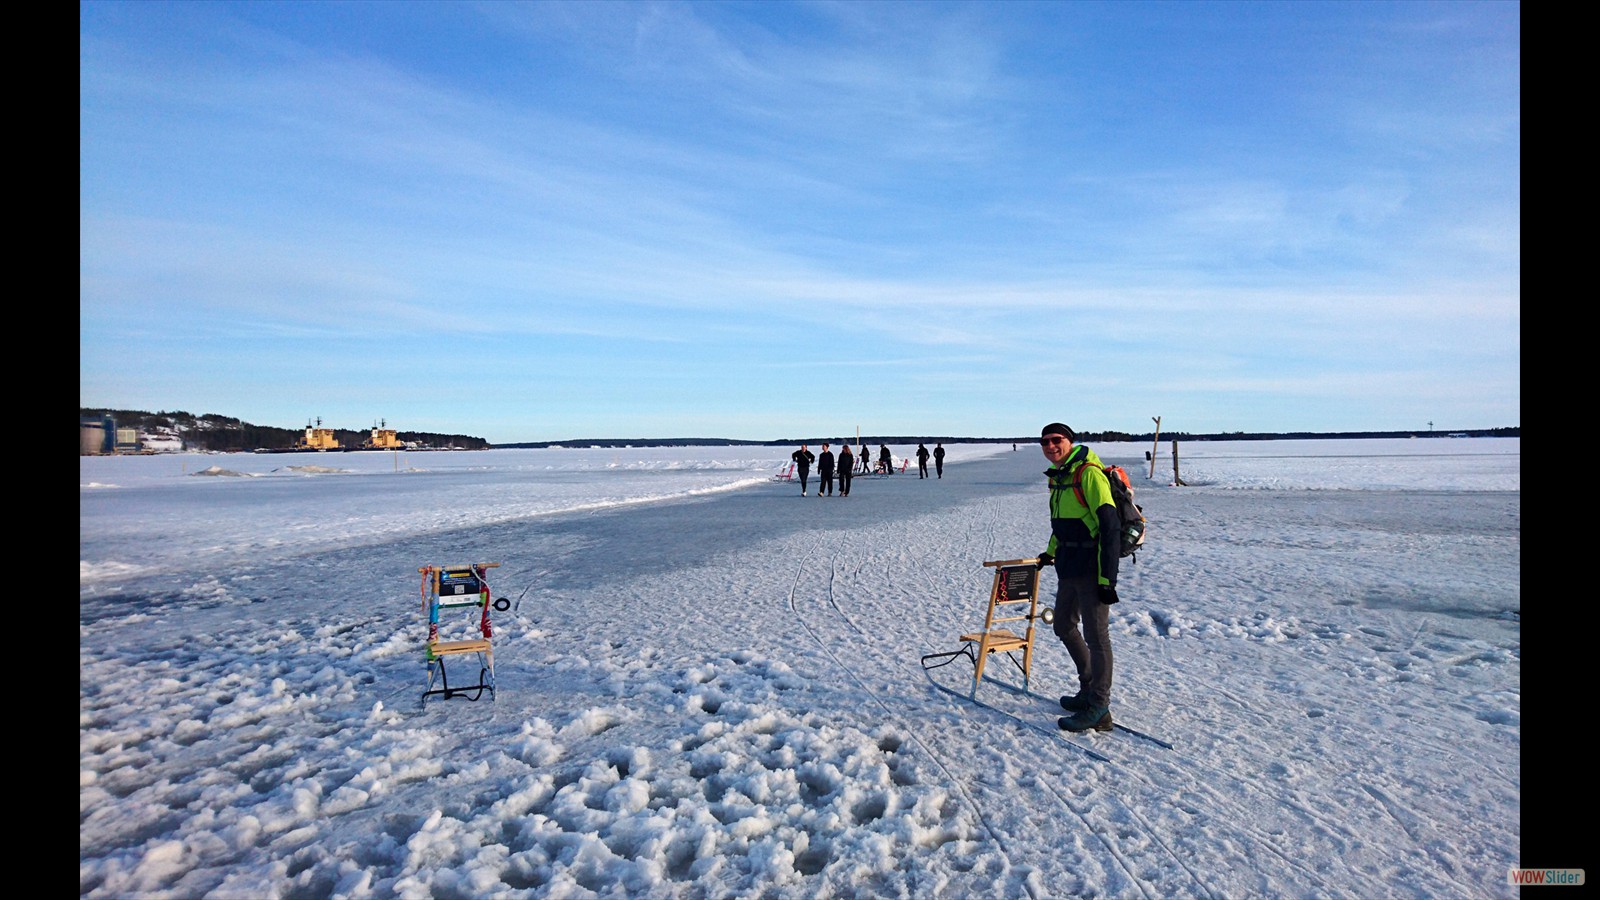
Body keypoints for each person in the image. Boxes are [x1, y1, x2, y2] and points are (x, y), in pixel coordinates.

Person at [1034, 422, 1121, 733]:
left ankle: (1099, 706)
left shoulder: (1088, 474)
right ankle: (1087, 688)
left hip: (1092, 568)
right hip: (1068, 566)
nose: (1050, 446)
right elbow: (1063, 525)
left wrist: (1107, 579)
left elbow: (1109, 526)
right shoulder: (1059, 479)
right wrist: (1049, 552)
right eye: (1045, 441)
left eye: (1056, 440)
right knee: (1062, 625)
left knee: (1097, 637)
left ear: (1069, 442)